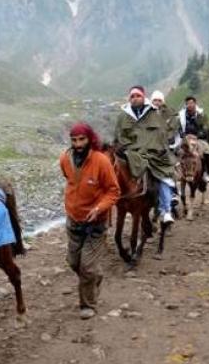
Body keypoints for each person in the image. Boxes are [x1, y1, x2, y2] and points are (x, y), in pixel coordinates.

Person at [59, 123, 120, 319]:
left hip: (96, 222)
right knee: (73, 262)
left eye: (82, 140)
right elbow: (69, 179)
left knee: (86, 267)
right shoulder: (65, 159)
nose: (78, 144)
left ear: (90, 139)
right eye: (74, 140)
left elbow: (113, 191)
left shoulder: (101, 161)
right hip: (74, 220)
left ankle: (87, 305)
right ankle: (95, 277)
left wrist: (99, 208)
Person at [115, 86, 177, 225]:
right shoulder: (123, 116)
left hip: (153, 151)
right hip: (131, 152)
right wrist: (122, 147)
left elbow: (161, 133)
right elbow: (119, 135)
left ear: (143, 97)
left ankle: (165, 210)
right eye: (132, 96)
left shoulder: (154, 113)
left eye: (138, 96)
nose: (135, 98)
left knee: (162, 176)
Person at [177, 96, 209, 180]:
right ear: (186, 105)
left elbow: (205, 127)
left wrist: (199, 135)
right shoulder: (182, 116)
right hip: (186, 138)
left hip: (198, 138)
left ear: (195, 104)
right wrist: (182, 134)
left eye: (191, 103)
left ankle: (206, 172)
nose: (190, 105)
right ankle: (179, 172)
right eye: (188, 104)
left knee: (208, 152)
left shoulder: (201, 115)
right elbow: (179, 127)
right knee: (177, 151)